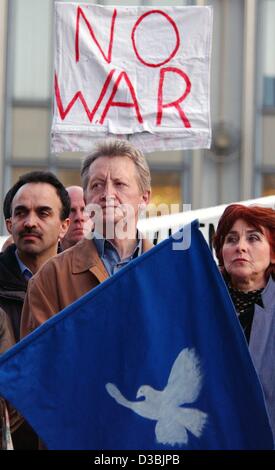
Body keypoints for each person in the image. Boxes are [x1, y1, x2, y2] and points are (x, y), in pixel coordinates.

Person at [21, 138, 152, 336]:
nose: (107, 194)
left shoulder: (171, 271)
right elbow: (40, 361)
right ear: (86, 198)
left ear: (144, 198)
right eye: (97, 185)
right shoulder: (51, 277)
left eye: (119, 184)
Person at [0, 170, 70, 449]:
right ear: (9, 224)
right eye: (21, 213)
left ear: (64, 225)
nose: (30, 222)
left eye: (43, 213)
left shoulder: (87, 288)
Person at [213, 204, 275, 442]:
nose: (240, 246)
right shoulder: (200, 299)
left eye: (253, 238)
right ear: (221, 251)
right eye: (231, 239)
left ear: (273, 252)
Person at [60, 186, 92, 251]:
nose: (79, 217)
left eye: (84, 210)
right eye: (71, 210)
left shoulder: (110, 259)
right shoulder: (46, 259)